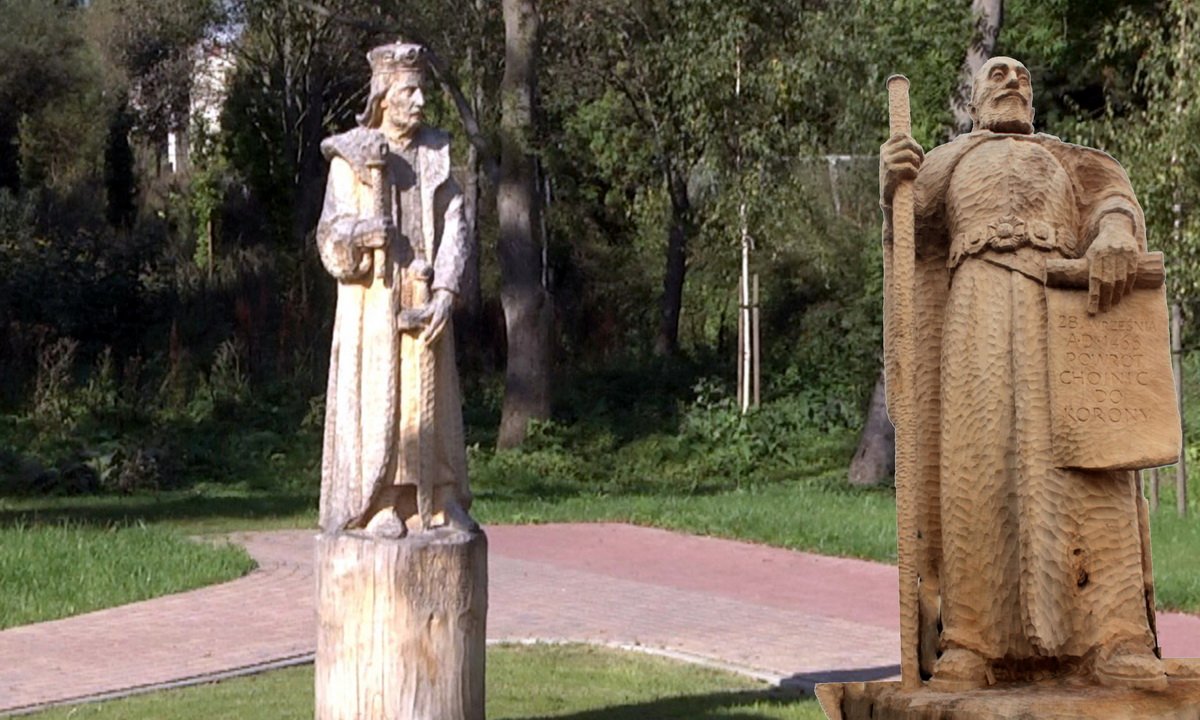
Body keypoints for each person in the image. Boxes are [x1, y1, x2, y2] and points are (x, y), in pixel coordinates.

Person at [881, 57, 1166, 690]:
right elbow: (910, 228)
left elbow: (1110, 198)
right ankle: (971, 644)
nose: (1012, 81)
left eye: (1023, 77)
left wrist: (1114, 233)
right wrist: (894, 181)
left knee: (1090, 466)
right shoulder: (949, 161)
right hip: (976, 312)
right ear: (974, 101)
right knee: (977, 469)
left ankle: (1115, 638)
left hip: (1065, 308)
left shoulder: (1062, 157)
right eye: (998, 74)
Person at [315, 41, 474, 538]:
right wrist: (362, 235)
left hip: (427, 296)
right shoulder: (351, 157)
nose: (420, 101)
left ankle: (440, 499)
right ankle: (380, 500)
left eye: (422, 91)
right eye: (409, 91)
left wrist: (446, 290)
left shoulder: (436, 154)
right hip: (375, 303)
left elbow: (456, 222)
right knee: (382, 400)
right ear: (383, 97)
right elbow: (329, 233)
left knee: (432, 402)